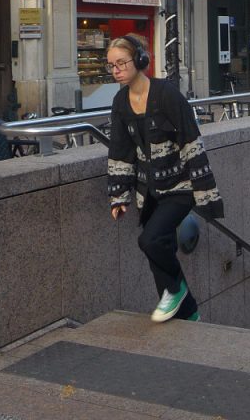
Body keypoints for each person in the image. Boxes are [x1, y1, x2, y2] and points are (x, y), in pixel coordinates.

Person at [106, 34, 224, 323]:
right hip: (149, 191)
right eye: (111, 65)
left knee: (150, 240)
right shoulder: (120, 101)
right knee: (162, 250)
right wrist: (119, 195)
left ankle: (175, 289)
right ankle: (189, 313)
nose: (116, 70)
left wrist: (204, 193)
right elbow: (121, 150)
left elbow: (191, 141)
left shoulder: (166, 94)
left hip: (179, 186)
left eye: (121, 63)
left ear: (141, 61)